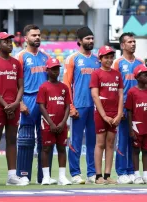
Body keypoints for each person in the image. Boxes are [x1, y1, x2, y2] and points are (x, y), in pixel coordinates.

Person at [0, 32, 27, 186]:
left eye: (10, 41)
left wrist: (16, 103)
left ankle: (12, 176)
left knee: (11, 140)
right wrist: (5, 104)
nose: (10, 44)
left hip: (14, 106)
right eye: (5, 41)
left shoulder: (16, 63)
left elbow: (21, 86)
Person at [16, 24, 54, 184]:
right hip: (28, 99)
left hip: (44, 102)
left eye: (39, 35)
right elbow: (15, 83)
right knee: (26, 138)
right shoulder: (21, 56)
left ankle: (44, 176)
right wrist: (20, 103)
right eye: (33, 35)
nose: (37, 37)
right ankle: (23, 175)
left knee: (46, 139)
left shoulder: (46, 57)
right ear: (26, 38)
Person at [63, 26, 100, 184]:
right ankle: (75, 173)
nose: (91, 41)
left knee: (93, 141)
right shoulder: (72, 59)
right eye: (87, 39)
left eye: (92, 38)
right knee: (76, 142)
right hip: (78, 106)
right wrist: (71, 107)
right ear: (79, 41)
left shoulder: (98, 59)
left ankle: (91, 173)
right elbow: (66, 84)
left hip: (95, 108)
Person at [112, 32, 143, 184]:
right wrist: (118, 109)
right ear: (122, 45)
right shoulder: (117, 63)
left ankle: (132, 170)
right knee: (123, 140)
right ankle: (121, 172)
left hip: (138, 108)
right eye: (130, 42)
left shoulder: (140, 63)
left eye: (134, 41)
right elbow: (114, 87)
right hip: (123, 108)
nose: (133, 44)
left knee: (135, 140)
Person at [90, 46, 123, 185]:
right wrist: (104, 116)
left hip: (114, 114)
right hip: (101, 114)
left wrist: (120, 113)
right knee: (100, 143)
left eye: (111, 57)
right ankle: (98, 176)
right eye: (106, 57)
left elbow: (121, 95)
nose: (109, 60)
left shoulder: (117, 74)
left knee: (110, 144)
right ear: (100, 59)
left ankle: (108, 174)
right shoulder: (96, 74)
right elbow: (95, 96)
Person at [37, 58, 72, 185]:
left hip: (62, 124)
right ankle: (46, 177)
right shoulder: (43, 87)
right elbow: (41, 106)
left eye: (57, 68)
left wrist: (63, 123)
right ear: (47, 70)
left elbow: (67, 106)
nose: (56, 71)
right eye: (53, 69)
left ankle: (62, 177)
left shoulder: (64, 87)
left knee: (62, 148)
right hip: (48, 123)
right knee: (46, 149)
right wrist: (51, 123)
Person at [125, 64, 147, 185]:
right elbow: (129, 111)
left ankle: (145, 176)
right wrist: (131, 129)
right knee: (135, 151)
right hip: (136, 127)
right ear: (138, 77)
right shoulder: (132, 92)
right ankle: (137, 175)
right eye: (145, 74)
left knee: (146, 151)